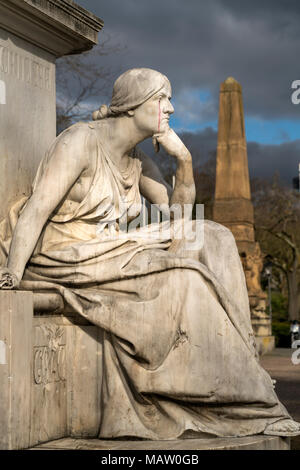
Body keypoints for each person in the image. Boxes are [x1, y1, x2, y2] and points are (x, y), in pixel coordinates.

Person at [0, 68, 299, 439]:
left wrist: (185, 160)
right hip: (67, 251)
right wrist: (13, 271)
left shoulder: (137, 159)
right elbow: (38, 208)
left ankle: (246, 361)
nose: (170, 108)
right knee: (186, 277)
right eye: (162, 99)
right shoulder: (79, 141)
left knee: (215, 235)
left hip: (107, 248)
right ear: (131, 106)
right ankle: (241, 394)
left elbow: (180, 218)